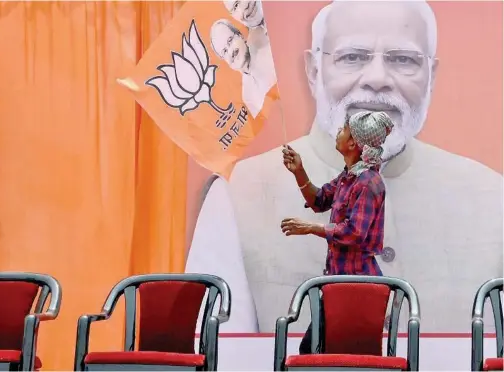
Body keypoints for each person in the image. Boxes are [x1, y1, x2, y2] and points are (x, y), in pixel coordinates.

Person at [186, 0, 503, 334]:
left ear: (431, 77)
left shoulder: (493, 199)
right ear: (313, 71)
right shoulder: (237, 195)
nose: (378, 78)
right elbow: (218, 353)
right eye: (352, 57)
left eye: (403, 59)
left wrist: (312, 229)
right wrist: (298, 173)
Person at [281, 110, 392, 353]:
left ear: (353, 143)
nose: (338, 132)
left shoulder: (369, 183)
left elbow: (353, 233)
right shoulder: (349, 177)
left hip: (358, 288)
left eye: (344, 129)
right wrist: (299, 171)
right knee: (314, 351)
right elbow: (319, 200)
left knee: (340, 356)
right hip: (340, 283)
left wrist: (311, 227)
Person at [210, 19, 277, 117]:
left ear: (240, 35)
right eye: (224, 51)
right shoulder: (247, 96)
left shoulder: (268, 46)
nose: (230, 52)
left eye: (230, 41)